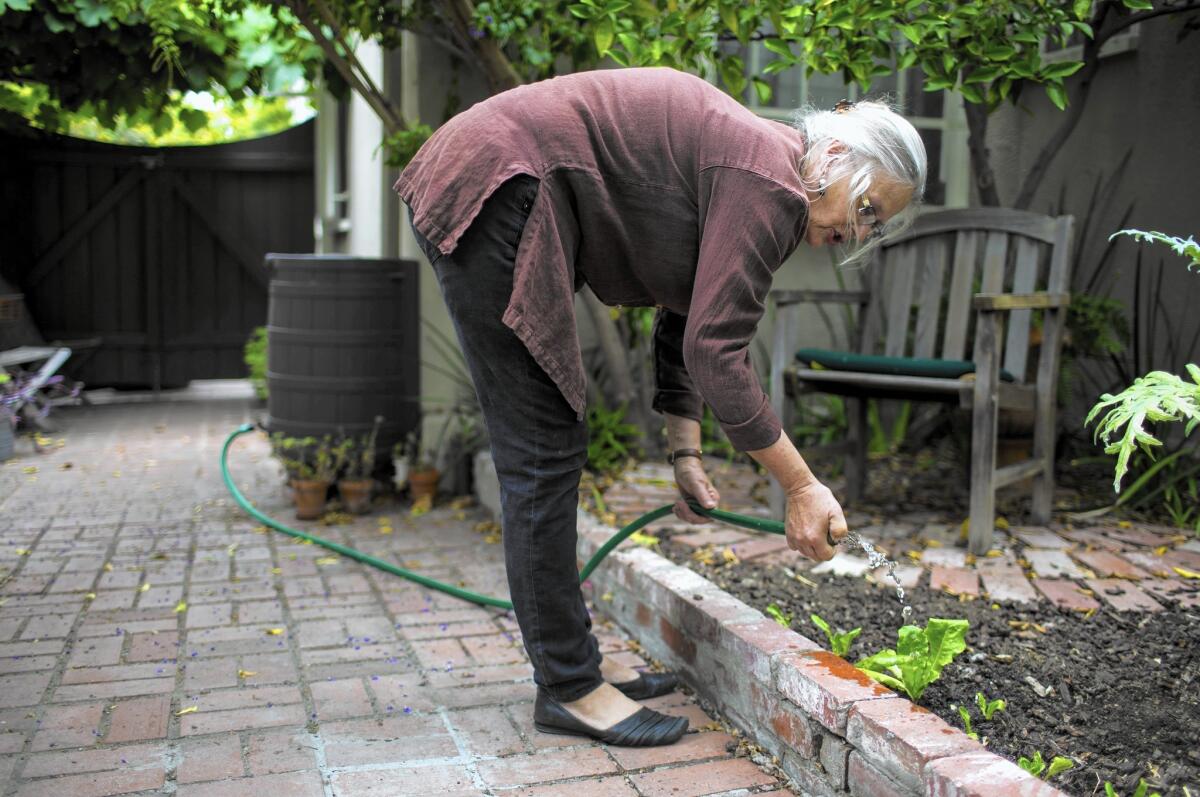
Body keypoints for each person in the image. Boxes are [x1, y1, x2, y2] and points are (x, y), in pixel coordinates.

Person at [396, 66, 926, 747]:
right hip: (499, 181)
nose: (859, 233)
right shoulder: (771, 182)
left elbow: (689, 315)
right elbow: (718, 351)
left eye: (875, 225)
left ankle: (573, 663)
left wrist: (686, 452)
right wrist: (799, 483)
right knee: (543, 449)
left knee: (550, 447)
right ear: (835, 158)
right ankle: (567, 684)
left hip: (493, 172)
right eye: (866, 209)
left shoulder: (762, 169)